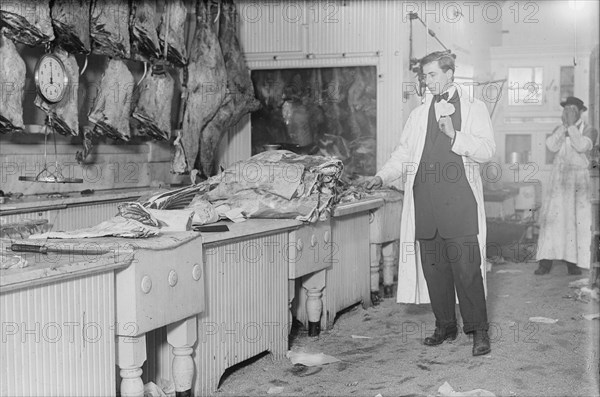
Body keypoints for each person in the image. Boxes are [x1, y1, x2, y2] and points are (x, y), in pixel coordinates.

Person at [365, 51, 496, 356]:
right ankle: (445, 326)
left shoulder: (475, 108)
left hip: (460, 204)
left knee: (467, 270)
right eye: (424, 75)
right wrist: (381, 177)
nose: (426, 81)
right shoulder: (418, 113)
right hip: (426, 204)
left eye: (433, 74)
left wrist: (455, 135)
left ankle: (479, 331)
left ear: (451, 74)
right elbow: (402, 154)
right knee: (434, 271)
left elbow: (488, 150)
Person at [534, 97, 598, 275]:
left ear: (579, 112)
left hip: (577, 182)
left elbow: (581, 146)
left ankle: (573, 264)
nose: (567, 112)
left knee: (574, 222)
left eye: (571, 109)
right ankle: (545, 263)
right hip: (559, 180)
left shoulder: (590, 130)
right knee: (552, 222)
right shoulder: (560, 128)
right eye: (565, 109)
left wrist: (571, 126)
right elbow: (551, 146)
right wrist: (564, 127)